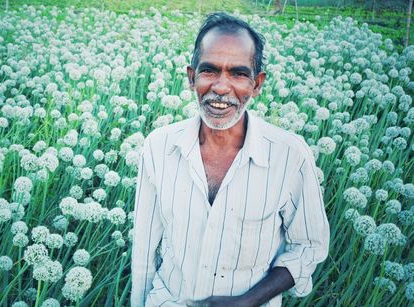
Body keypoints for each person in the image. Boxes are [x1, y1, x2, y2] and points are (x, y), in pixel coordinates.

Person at [131, 12, 330, 307]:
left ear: (257, 84)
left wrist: (247, 302)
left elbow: (308, 247)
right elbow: (145, 250)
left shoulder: (290, 155)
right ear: (191, 77)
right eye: (209, 70)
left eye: (238, 74)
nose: (222, 87)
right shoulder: (158, 146)